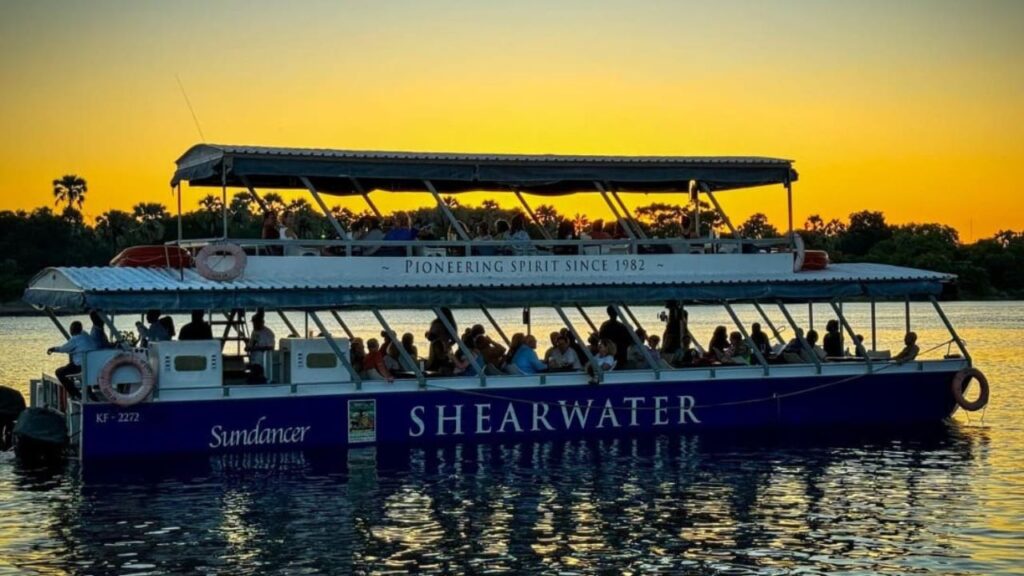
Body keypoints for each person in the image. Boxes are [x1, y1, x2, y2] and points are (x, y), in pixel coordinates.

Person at [47, 321, 97, 400]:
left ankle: (76, 394)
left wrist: (53, 349)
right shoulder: (86, 335)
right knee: (77, 368)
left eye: (71, 329)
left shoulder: (75, 339)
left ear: (72, 330)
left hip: (80, 366)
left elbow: (64, 349)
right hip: (92, 365)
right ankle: (89, 392)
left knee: (59, 372)